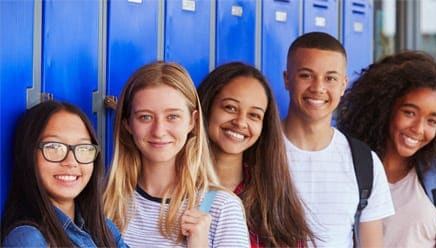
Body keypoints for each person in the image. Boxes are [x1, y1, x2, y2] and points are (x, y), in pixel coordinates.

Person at [103, 61, 249, 247]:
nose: (159, 131)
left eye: (172, 116)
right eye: (145, 117)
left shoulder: (222, 208)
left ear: (192, 121)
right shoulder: (103, 201)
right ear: (127, 124)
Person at [337, 51, 436, 247]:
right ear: (385, 108)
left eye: (431, 121)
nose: (418, 129)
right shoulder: (350, 164)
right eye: (409, 113)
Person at [281, 31, 395, 247]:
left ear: (343, 85)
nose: (318, 88)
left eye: (330, 78)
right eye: (306, 75)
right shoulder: (258, 150)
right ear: (287, 79)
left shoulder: (364, 163)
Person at [197, 62, 315, 247]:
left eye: (254, 115)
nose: (241, 122)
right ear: (207, 107)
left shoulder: (273, 199)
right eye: (230, 108)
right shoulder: (173, 185)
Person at [1, 101, 126, 247]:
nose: (71, 161)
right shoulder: (29, 239)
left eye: (83, 148)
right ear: (28, 154)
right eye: (54, 147)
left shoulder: (104, 228)